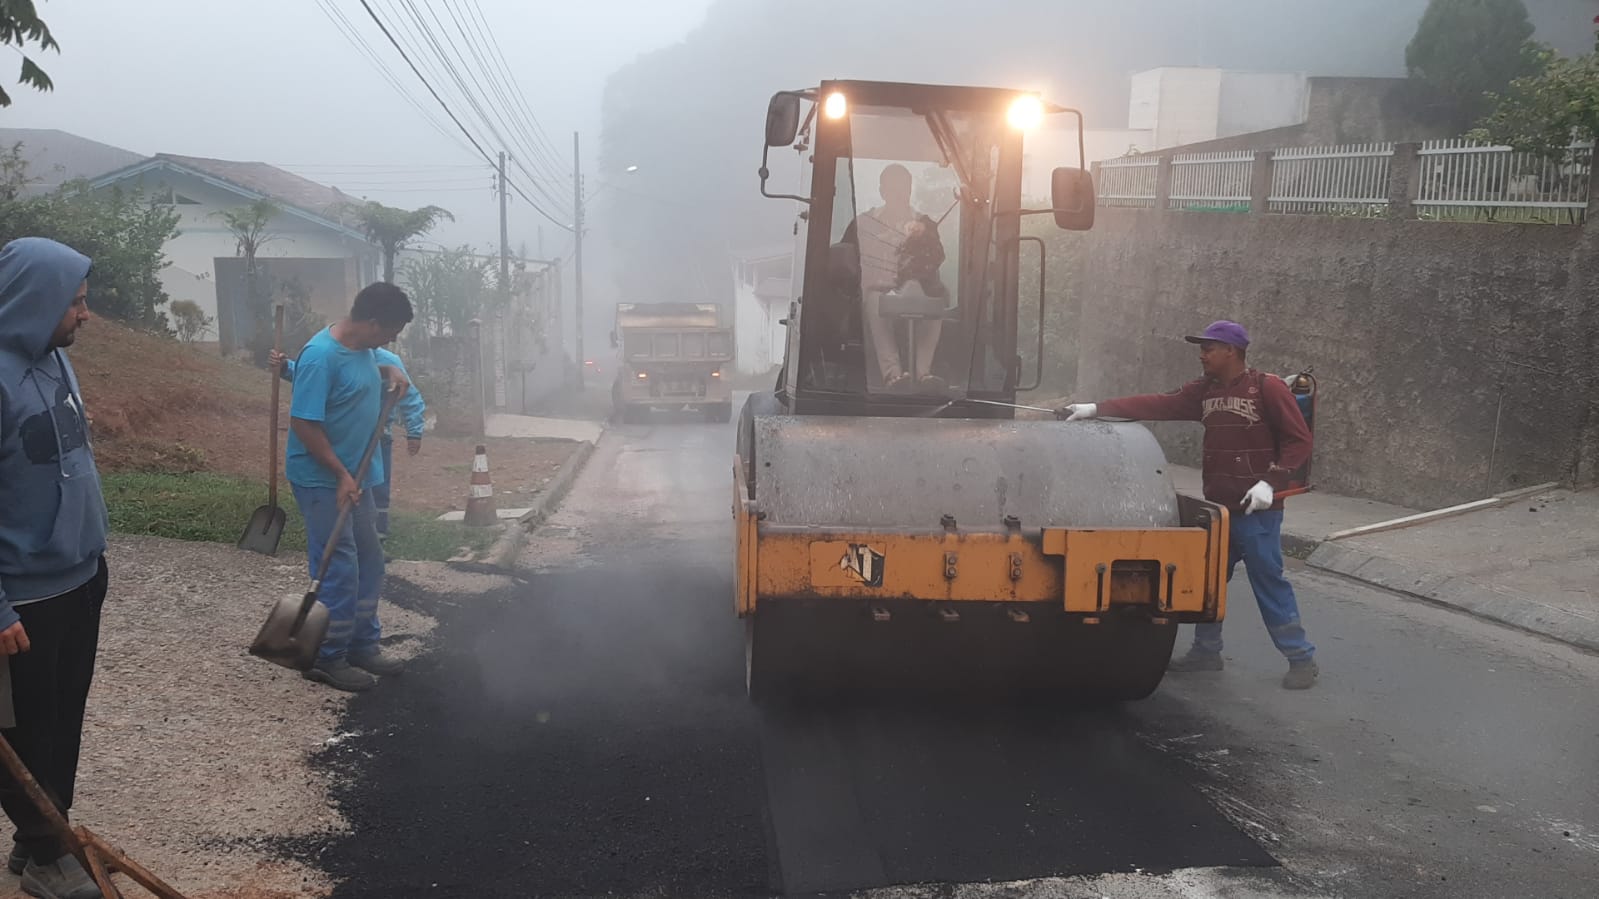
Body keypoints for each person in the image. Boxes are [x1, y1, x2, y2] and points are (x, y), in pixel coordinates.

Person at [1058, 320, 1319, 690]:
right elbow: (1159, 404)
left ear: (1231, 351)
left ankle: (1301, 658)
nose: (1202, 354)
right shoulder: (1205, 391)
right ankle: (1206, 652)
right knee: (1208, 583)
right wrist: (1096, 408)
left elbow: (1299, 441)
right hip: (1220, 510)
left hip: (1258, 512)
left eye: (1209, 348)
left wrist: (1270, 483)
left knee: (1270, 583)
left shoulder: (1267, 388)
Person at [0, 237, 111, 899]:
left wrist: (94, 562)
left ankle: (39, 835)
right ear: (34, 302)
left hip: (79, 581)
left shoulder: (54, 362)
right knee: (19, 729)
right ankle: (47, 855)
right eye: (74, 303)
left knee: (62, 720)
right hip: (24, 598)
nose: (85, 314)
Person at [283, 283, 413, 692]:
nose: (392, 340)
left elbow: (357, 374)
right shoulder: (320, 357)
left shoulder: (365, 351)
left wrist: (388, 370)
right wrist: (341, 474)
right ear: (372, 322)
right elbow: (304, 422)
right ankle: (326, 657)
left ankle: (362, 644)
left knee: (370, 560)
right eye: (390, 331)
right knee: (339, 565)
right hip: (323, 479)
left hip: (356, 476)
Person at [271, 343, 425, 541]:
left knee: (376, 485)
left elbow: (411, 397)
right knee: (346, 483)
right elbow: (318, 378)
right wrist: (285, 367)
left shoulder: (390, 360)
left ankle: (378, 532)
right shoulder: (337, 356)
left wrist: (414, 432)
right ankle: (349, 529)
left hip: (378, 436)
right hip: (344, 436)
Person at [846, 164, 947, 392]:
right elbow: (848, 261)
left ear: (910, 190)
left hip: (918, 290)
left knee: (939, 297)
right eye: (893, 189)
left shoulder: (925, 224)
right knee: (874, 299)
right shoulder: (864, 223)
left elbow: (938, 257)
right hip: (877, 290)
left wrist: (924, 237)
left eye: (904, 188)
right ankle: (892, 375)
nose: (899, 194)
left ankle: (924, 374)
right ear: (882, 192)